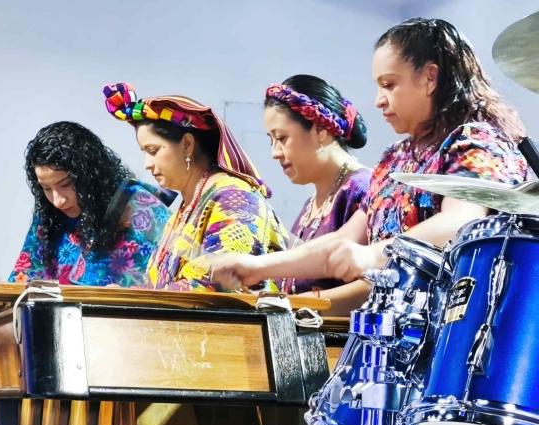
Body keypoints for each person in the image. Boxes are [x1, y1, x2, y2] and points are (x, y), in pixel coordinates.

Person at [211, 18, 528, 313]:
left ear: (430, 78)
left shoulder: (476, 141)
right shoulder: (396, 157)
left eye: (389, 84)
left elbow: (460, 222)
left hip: (453, 329)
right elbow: (343, 241)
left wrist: (375, 255)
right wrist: (258, 267)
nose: (378, 99)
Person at [103, 82, 289, 292]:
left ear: (187, 145)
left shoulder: (235, 198)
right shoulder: (183, 211)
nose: (147, 163)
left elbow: (222, 286)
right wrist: (128, 294)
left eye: (153, 150)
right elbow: (161, 287)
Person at [9, 121, 170, 287]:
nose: (58, 201)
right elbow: (20, 287)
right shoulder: (49, 220)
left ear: (91, 175)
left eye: (65, 184)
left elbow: (172, 281)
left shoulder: (139, 207)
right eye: (46, 188)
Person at [264, 75, 372, 295]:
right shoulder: (310, 205)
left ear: (320, 130)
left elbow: (371, 286)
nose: (274, 153)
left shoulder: (364, 189)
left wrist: (294, 308)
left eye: (282, 138)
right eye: (271, 140)